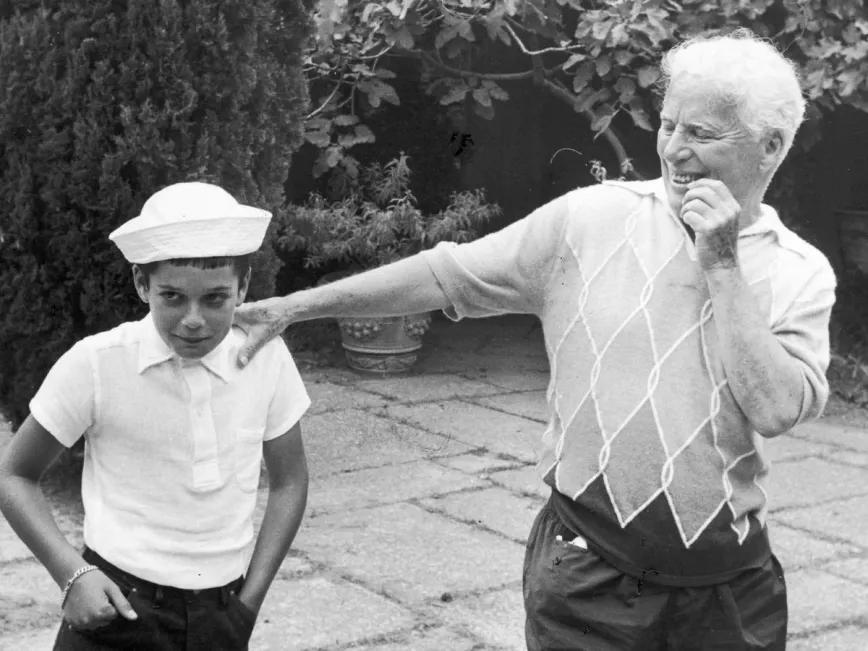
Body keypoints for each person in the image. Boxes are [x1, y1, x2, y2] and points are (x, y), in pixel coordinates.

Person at [235, 31, 835, 650]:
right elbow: (445, 274)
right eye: (667, 125)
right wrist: (292, 308)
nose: (674, 149)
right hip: (588, 569)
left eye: (702, 134)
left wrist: (723, 266)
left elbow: (775, 409)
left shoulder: (800, 271)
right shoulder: (591, 220)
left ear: (770, 146)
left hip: (726, 588)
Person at [0, 182, 311, 650]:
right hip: (114, 608)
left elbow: (290, 481)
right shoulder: (97, 363)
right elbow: (14, 475)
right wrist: (71, 574)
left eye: (215, 299)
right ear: (142, 284)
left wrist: (249, 603)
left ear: (243, 286)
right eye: (172, 297)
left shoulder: (265, 356)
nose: (193, 319)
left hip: (221, 614)